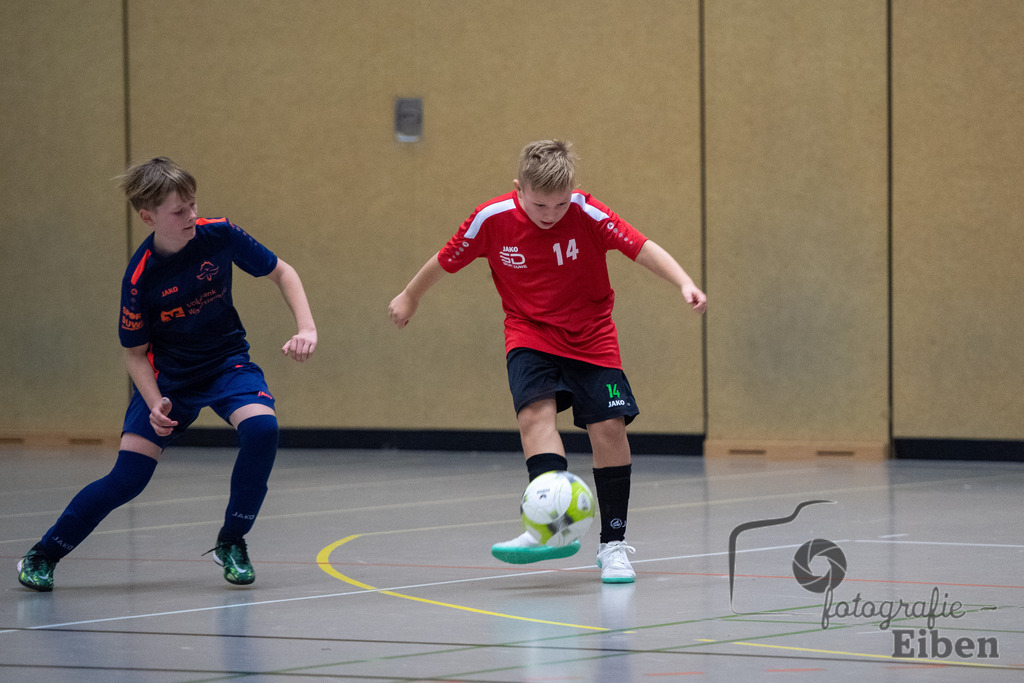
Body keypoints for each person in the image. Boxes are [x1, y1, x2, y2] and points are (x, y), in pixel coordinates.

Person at [388, 140, 706, 583]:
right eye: (539, 203)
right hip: (529, 332)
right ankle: (544, 527)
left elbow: (642, 247)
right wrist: (410, 296)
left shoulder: (588, 213)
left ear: (573, 191)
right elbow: (444, 261)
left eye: (560, 203)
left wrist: (684, 283)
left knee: (609, 429)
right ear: (518, 188)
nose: (550, 213)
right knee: (535, 418)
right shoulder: (490, 219)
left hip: (592, 336)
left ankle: (613, 546)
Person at [16, 157, 317, 591]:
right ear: (148, 216)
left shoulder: (220, 234)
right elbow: (135, 354)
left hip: (226, 362)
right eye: (179, 211)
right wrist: (155, 400)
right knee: (127, 480)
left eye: (193, 204)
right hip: (168, 378)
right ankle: (45, 552)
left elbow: (282, 272)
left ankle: (232, 540)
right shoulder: (140, 279)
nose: (191, 215)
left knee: (262, 430)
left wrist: (306, 327)